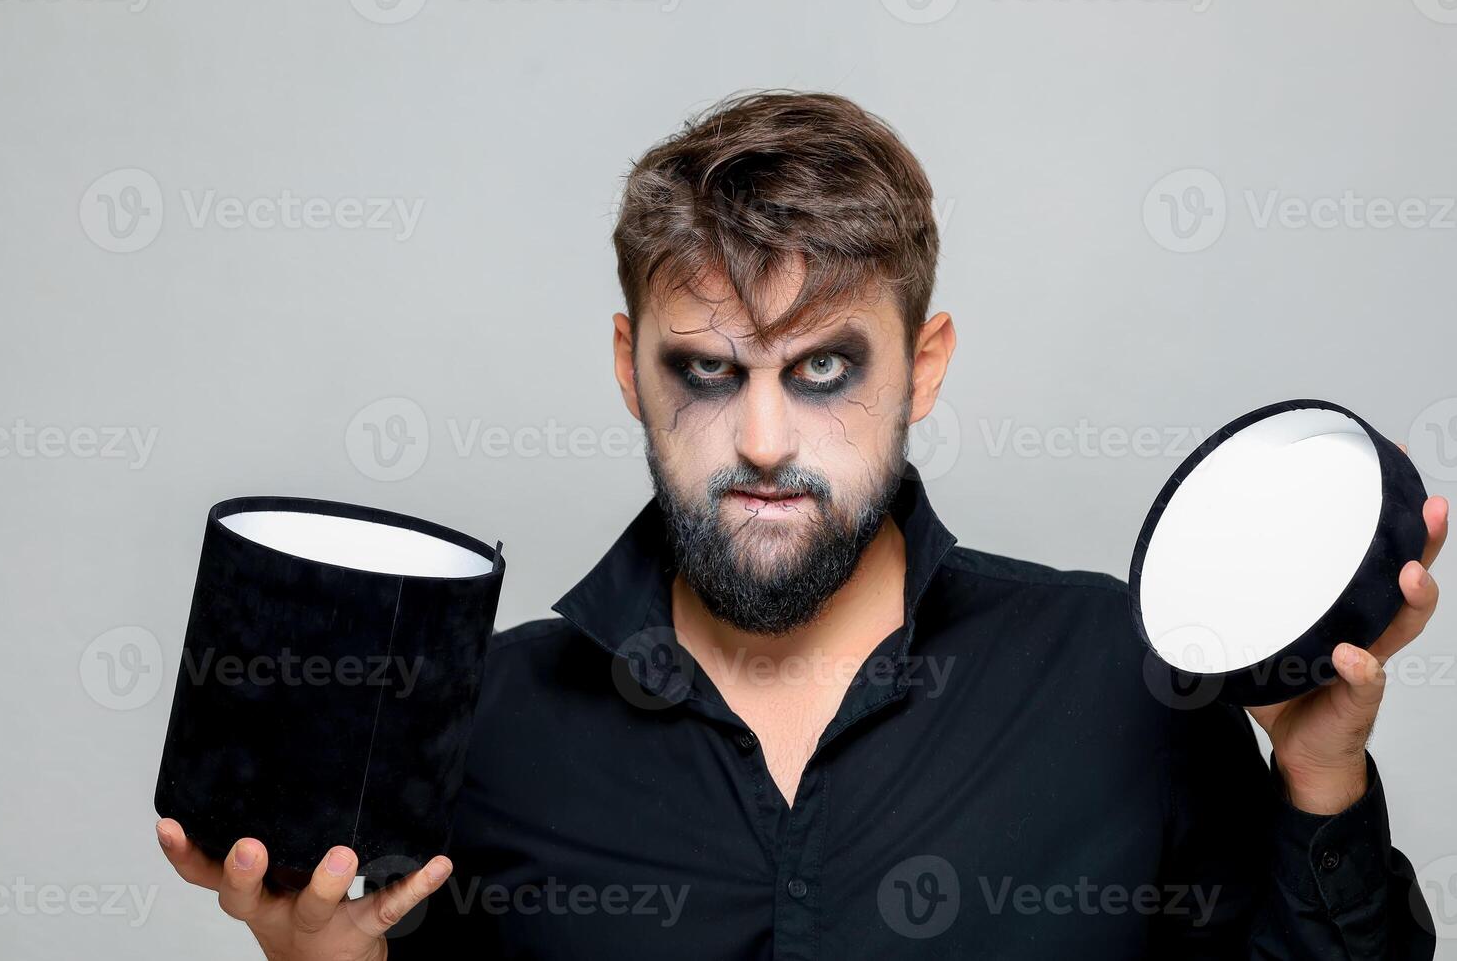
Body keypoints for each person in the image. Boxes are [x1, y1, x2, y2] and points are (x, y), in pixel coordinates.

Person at [154, 90, 1448, 959]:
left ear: (921, 365)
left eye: (823, 368)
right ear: (629, 365)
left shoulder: (1117, 673)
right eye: (708, 368)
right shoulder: (475, 722)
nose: (763, 437)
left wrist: (1317, 781)